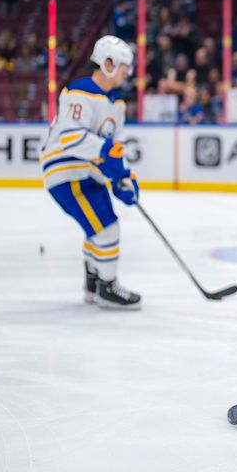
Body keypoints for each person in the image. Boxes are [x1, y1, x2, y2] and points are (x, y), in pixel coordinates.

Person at [40, 35, 141, 310]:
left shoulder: (117, 106)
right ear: (108, 63)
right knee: (107, 228)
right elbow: (70, 138)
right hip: (68, 172)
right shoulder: (79, 91)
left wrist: (124, 178)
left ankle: (94, 283)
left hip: (87, 174)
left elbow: (113, 149)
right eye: (123, 66)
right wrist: (106, 153)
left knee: (96, 229)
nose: (126, 73)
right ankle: (108, 288)